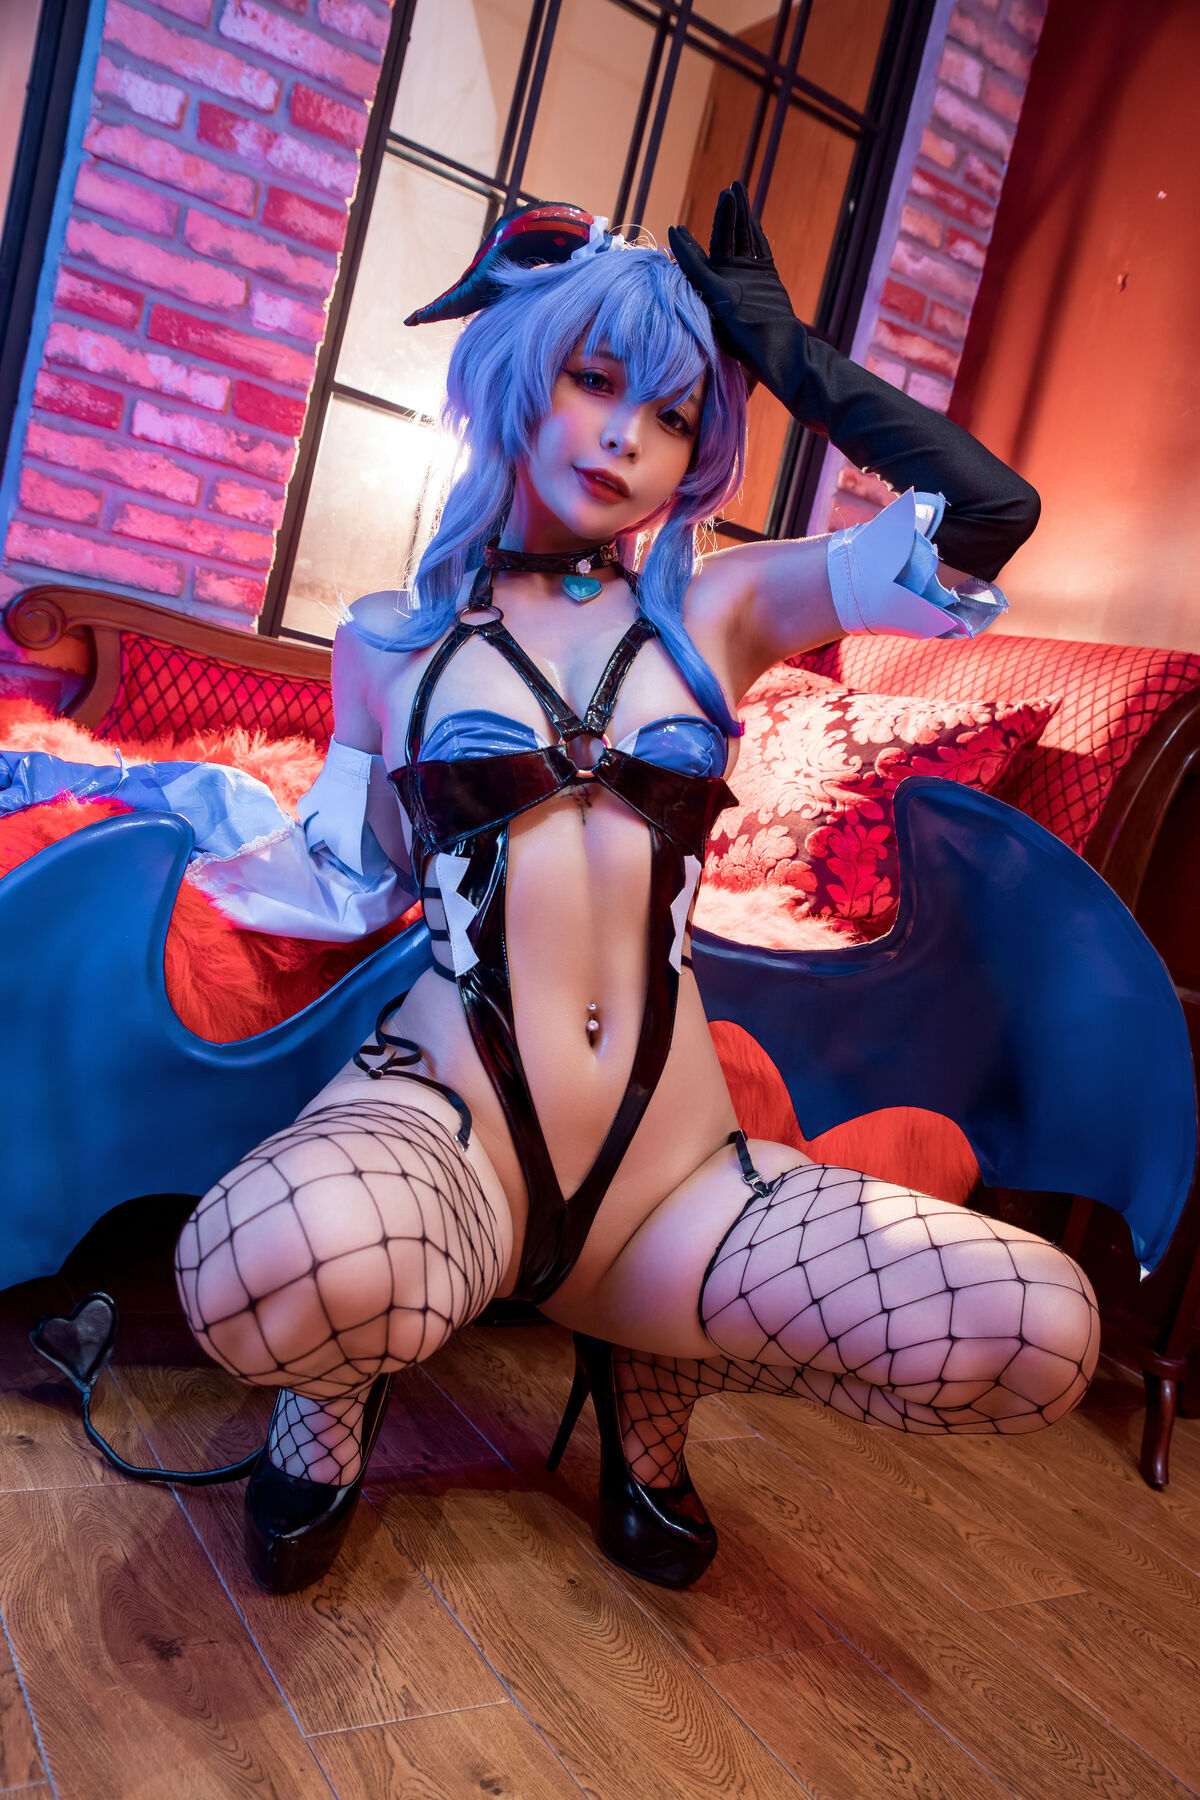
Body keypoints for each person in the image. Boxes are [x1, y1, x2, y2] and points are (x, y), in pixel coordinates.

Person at [40, 186, 1108, 1594]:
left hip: (675, 1177)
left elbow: (988, 514)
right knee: (250, 1270)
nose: (625, 438)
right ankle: (334, 1401)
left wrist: (788, 358)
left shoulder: (725, 613)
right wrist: (158, 834)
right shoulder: (388, 643)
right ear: (515, 376)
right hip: (451, 1136)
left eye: (671, 413)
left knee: (1043, 1328)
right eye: (595, 380)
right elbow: (342, 877)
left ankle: (649, 1356)